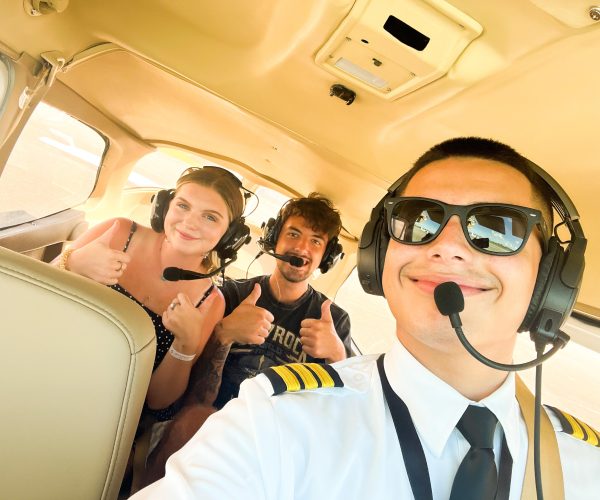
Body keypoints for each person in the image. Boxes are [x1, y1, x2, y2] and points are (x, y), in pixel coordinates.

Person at [132, 138, 599, 499]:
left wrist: (336, 355)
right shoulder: (273, 420)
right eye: (419, 220)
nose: (447, 246)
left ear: (551, 279)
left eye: (497, 228)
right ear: (381, 256)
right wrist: (222, 336)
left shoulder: (587, 466)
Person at [138, 193, 352, 485]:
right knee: (195, 418)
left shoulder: (334, 321)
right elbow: (196, 396)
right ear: (274, 239)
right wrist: (224, 334)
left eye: (316, 241)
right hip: (209, 417)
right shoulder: (231, 294)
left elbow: (342, 414)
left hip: (278, 438)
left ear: (326, 256)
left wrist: (337, 356)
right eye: (293, 234)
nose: (302, 247)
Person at [54, 166, 249, 421]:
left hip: (109, 413)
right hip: (55, 362)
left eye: (210, 217)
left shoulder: (210, 302)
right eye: (183, 206)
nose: (189, 222)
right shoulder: (118, 232)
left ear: (229, 237)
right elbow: (30, 291)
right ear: (164, 206)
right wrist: (71, 262)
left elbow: (157, 401)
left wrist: (185, 344)